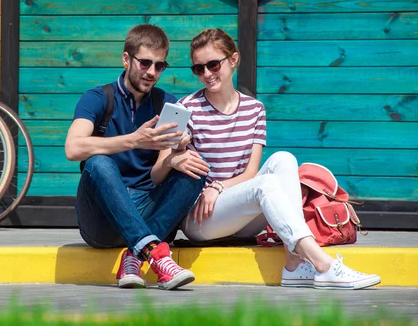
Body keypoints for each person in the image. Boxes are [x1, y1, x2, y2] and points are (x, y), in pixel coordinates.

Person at [153, 28, 381, 290]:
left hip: (241, 214)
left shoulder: (255, 109)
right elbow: (156, 174)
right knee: (266, 184)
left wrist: (217, 187)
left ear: (233, 60)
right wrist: (174, 156)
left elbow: (250, 173)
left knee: (284, 159)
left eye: (213, 64)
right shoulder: (185, 108)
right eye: (198, 69)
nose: (206, 74)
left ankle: (294, 265)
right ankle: (324, 265)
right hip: (202, 219)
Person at [65, 24, 207, 290]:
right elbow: (72, 149)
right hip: (101, 222)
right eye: (144, 63)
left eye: (159, 66)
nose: (152, 72)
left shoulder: (166, 104)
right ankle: (153, 252)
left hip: (145, 209)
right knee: (97, 162)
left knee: (193, 170)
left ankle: (136, 254)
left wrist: (173, 158)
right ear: (126, 58)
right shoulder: (98, 98)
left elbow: (155, 176)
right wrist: (133, 140)